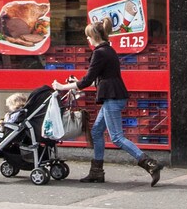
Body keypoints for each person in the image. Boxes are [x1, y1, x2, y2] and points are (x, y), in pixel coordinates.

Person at [64, 18, 162, 185]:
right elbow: (97, 76)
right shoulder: (108, 50)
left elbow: (87, 81)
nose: (87, 39)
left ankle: (150, 164)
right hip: (114, 96)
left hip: (112, 98)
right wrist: (77, 82)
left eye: (88, 36)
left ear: (94, 36)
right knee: (96, 132)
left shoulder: (99, 52)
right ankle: (96, 172)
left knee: (116, 137)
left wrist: (63, 86)